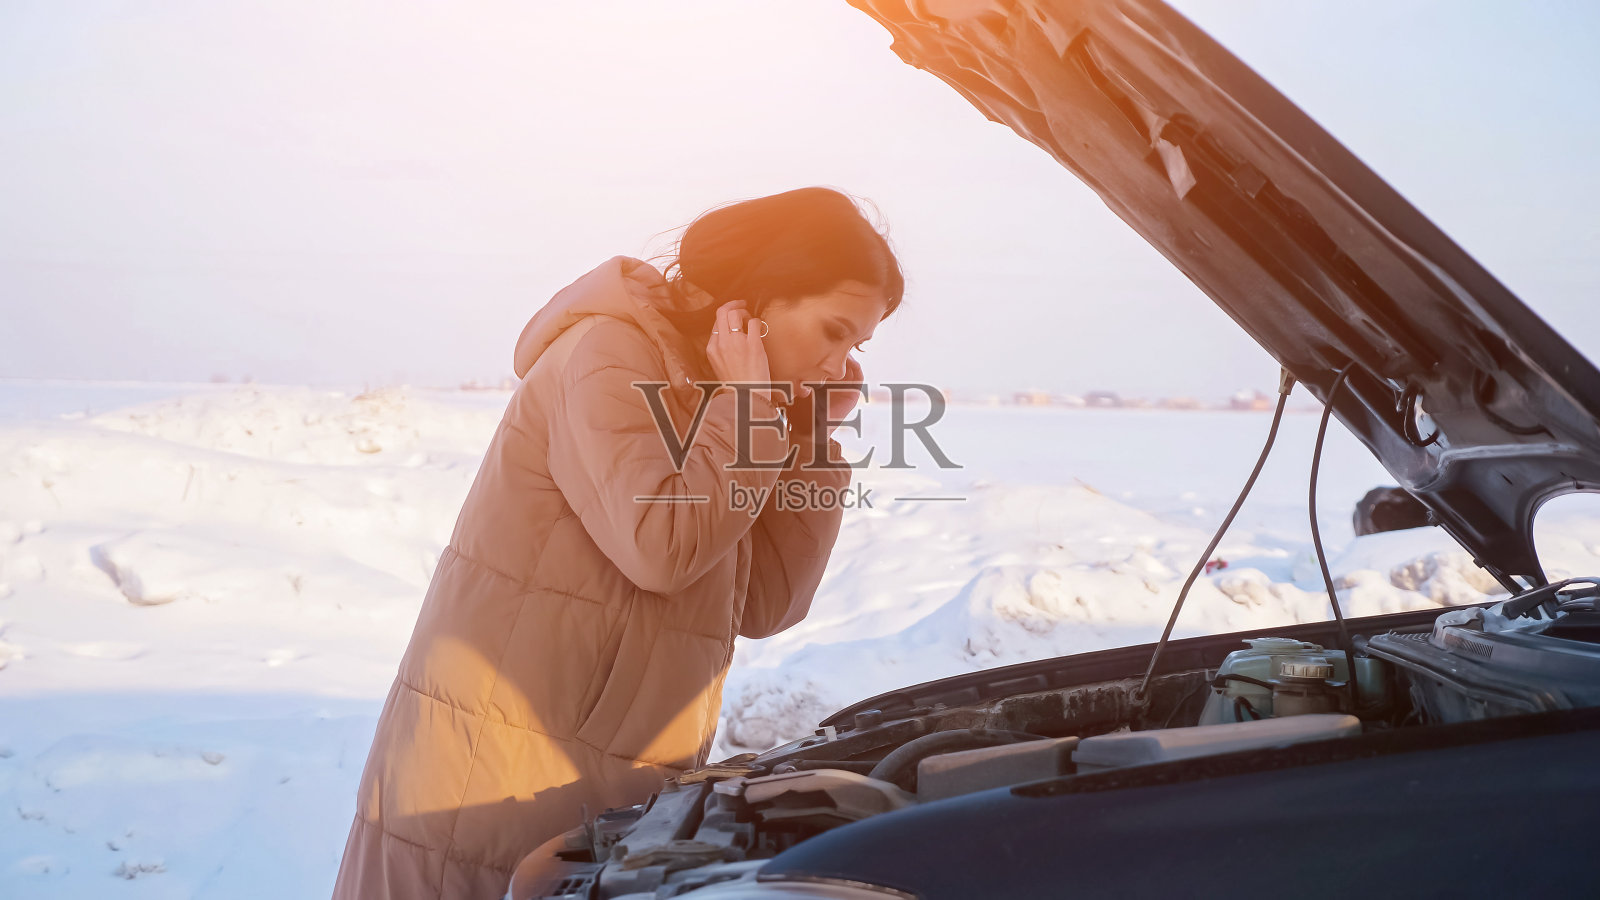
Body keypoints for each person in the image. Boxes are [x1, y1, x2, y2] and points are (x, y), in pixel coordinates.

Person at [330, 186, 905, 899]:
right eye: (833, 331)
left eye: (855, 346)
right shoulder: (609, 354)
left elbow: (766, 604)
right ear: (753, 305)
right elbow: (661, 548)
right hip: (494, 775)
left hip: (608, 781)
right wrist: (752, 408)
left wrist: (806, 435)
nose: (840, 364)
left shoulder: (725, 400)